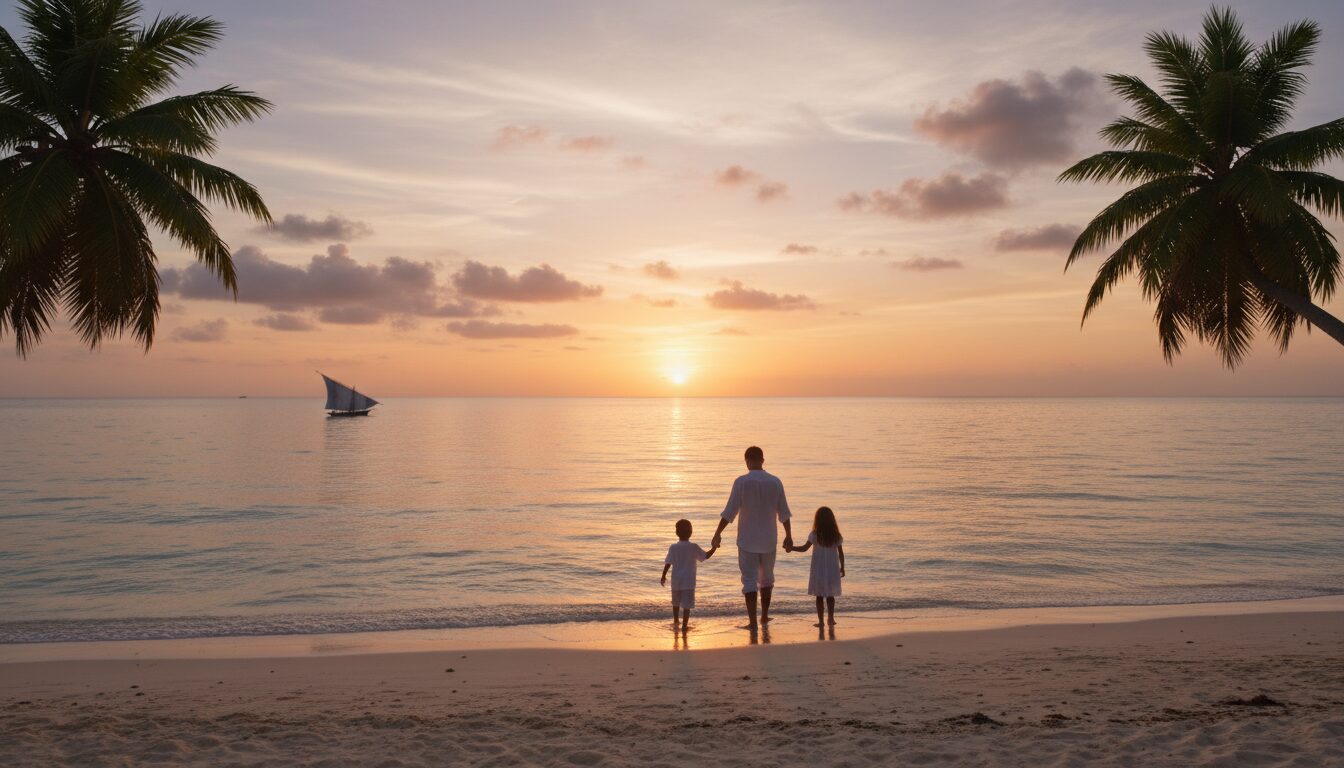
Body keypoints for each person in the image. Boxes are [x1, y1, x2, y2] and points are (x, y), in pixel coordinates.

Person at [711, 446, 792, 630]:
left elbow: (729, 513)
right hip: (769, 540)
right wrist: (789, 536)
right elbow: (784, 514)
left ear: (747, 461)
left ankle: (753, 622)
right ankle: (764, 616)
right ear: (763, 460)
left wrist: (717, 533)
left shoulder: (741, 482)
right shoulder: (775, 482)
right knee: (767, 579)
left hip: (747, 540)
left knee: (749, 580)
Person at [786, 506, 845, 627]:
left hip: (819, 569)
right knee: (830, 595)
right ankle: (831, 619)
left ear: (817, 520)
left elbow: (804, 549)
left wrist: (791, 548)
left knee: (819, 596)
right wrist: (842, 567)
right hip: (832, 569)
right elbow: (841, 553)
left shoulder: (815, 534)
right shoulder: (835, 535)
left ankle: (821, 621)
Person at [661, 519, 717, 633]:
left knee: (675, 603)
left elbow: (668, 563)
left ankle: (676, 621)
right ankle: (684, 626)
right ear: (691, 532)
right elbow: (706, 556)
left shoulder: (673, 547)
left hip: (676, 581)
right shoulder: (694, 547)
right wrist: (714, 547)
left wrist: (663, 576)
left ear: (676, 532)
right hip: (689, 582)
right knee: (687, 605)